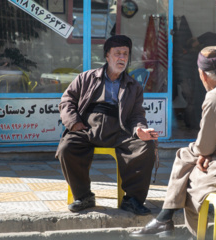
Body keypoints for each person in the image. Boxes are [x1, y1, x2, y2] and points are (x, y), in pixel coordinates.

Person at [130, 46, 216, 238]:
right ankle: (165, 218)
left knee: (190, 180)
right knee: (187, 156)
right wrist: (209, 152)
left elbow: (204, 146)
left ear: (203, 75)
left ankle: (189, 232)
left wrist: (206, 153)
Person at [55, 35, 158, 215]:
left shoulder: (134, 86)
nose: (122, 58)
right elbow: (67, 101)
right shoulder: (86, 78)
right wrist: (75, 123)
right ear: (107, 56)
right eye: (117, 53)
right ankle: (84, 196)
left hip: (120, 130)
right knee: (67, 147)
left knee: (145, 146)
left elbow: (136, 114)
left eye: (125, 54)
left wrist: (139, 129)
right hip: (87, 128)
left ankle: (133, 199)